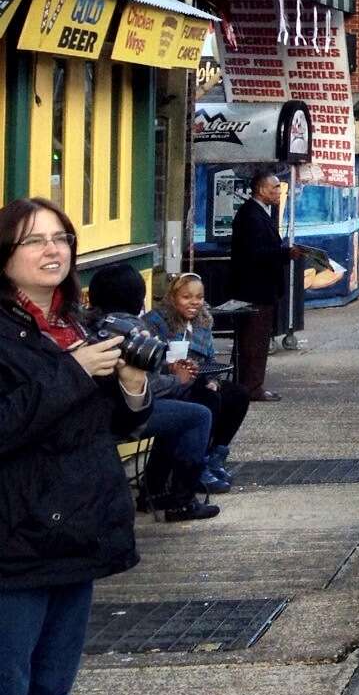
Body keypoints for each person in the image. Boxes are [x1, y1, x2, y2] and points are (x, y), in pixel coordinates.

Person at [1, 198, 158, 695]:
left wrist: (134, 383)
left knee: (52, 693)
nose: (53, 250)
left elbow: (116, 423)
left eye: (61, 238)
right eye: (34, 241)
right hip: (16, 541)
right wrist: (73, 371)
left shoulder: (80, 325)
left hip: (79, 532)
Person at [83, 265, 219, 522]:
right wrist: (177, 379)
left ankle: (155, 490)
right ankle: (182, 501)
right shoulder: (131, 329)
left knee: (180, 412)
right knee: (198, 415)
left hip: (95, 410)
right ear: (137, 297)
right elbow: (144, 385)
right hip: (121, 414)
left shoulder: (89, 323)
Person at [142, 273, 252, 490]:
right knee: (207, 400)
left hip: (198, 378)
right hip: (170, 382)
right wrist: (173, 368)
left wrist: (213, 379)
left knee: (238, 395)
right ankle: (195, 465)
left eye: (199, 297)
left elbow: (210, 358)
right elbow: (152, 363)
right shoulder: (157, 322)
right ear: (173, 297)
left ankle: (215, 456)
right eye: (186, 297)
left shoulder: (203, 322)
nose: (194, 302)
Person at [227, 168, 302, 402]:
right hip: (255, 290)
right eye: (274, 187)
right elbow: (255, 253)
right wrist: (285, 253)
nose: (278, 192)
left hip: (261, 288)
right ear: (261, 190)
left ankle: (247, 384)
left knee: (254, 339)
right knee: (253, 341)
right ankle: (251, 387)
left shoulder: (259, 213)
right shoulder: (251, 215)